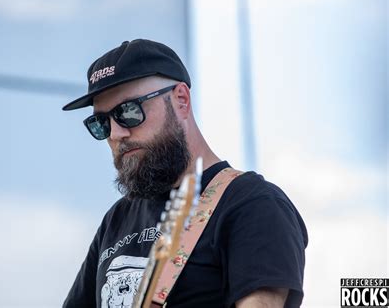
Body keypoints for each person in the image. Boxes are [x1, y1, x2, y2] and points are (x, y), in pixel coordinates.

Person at [62, 39, 308, 308]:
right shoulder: (116, 219)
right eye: (101, 123)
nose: (116, 133)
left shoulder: (252, 204)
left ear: (181, 99)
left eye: (128, 111)